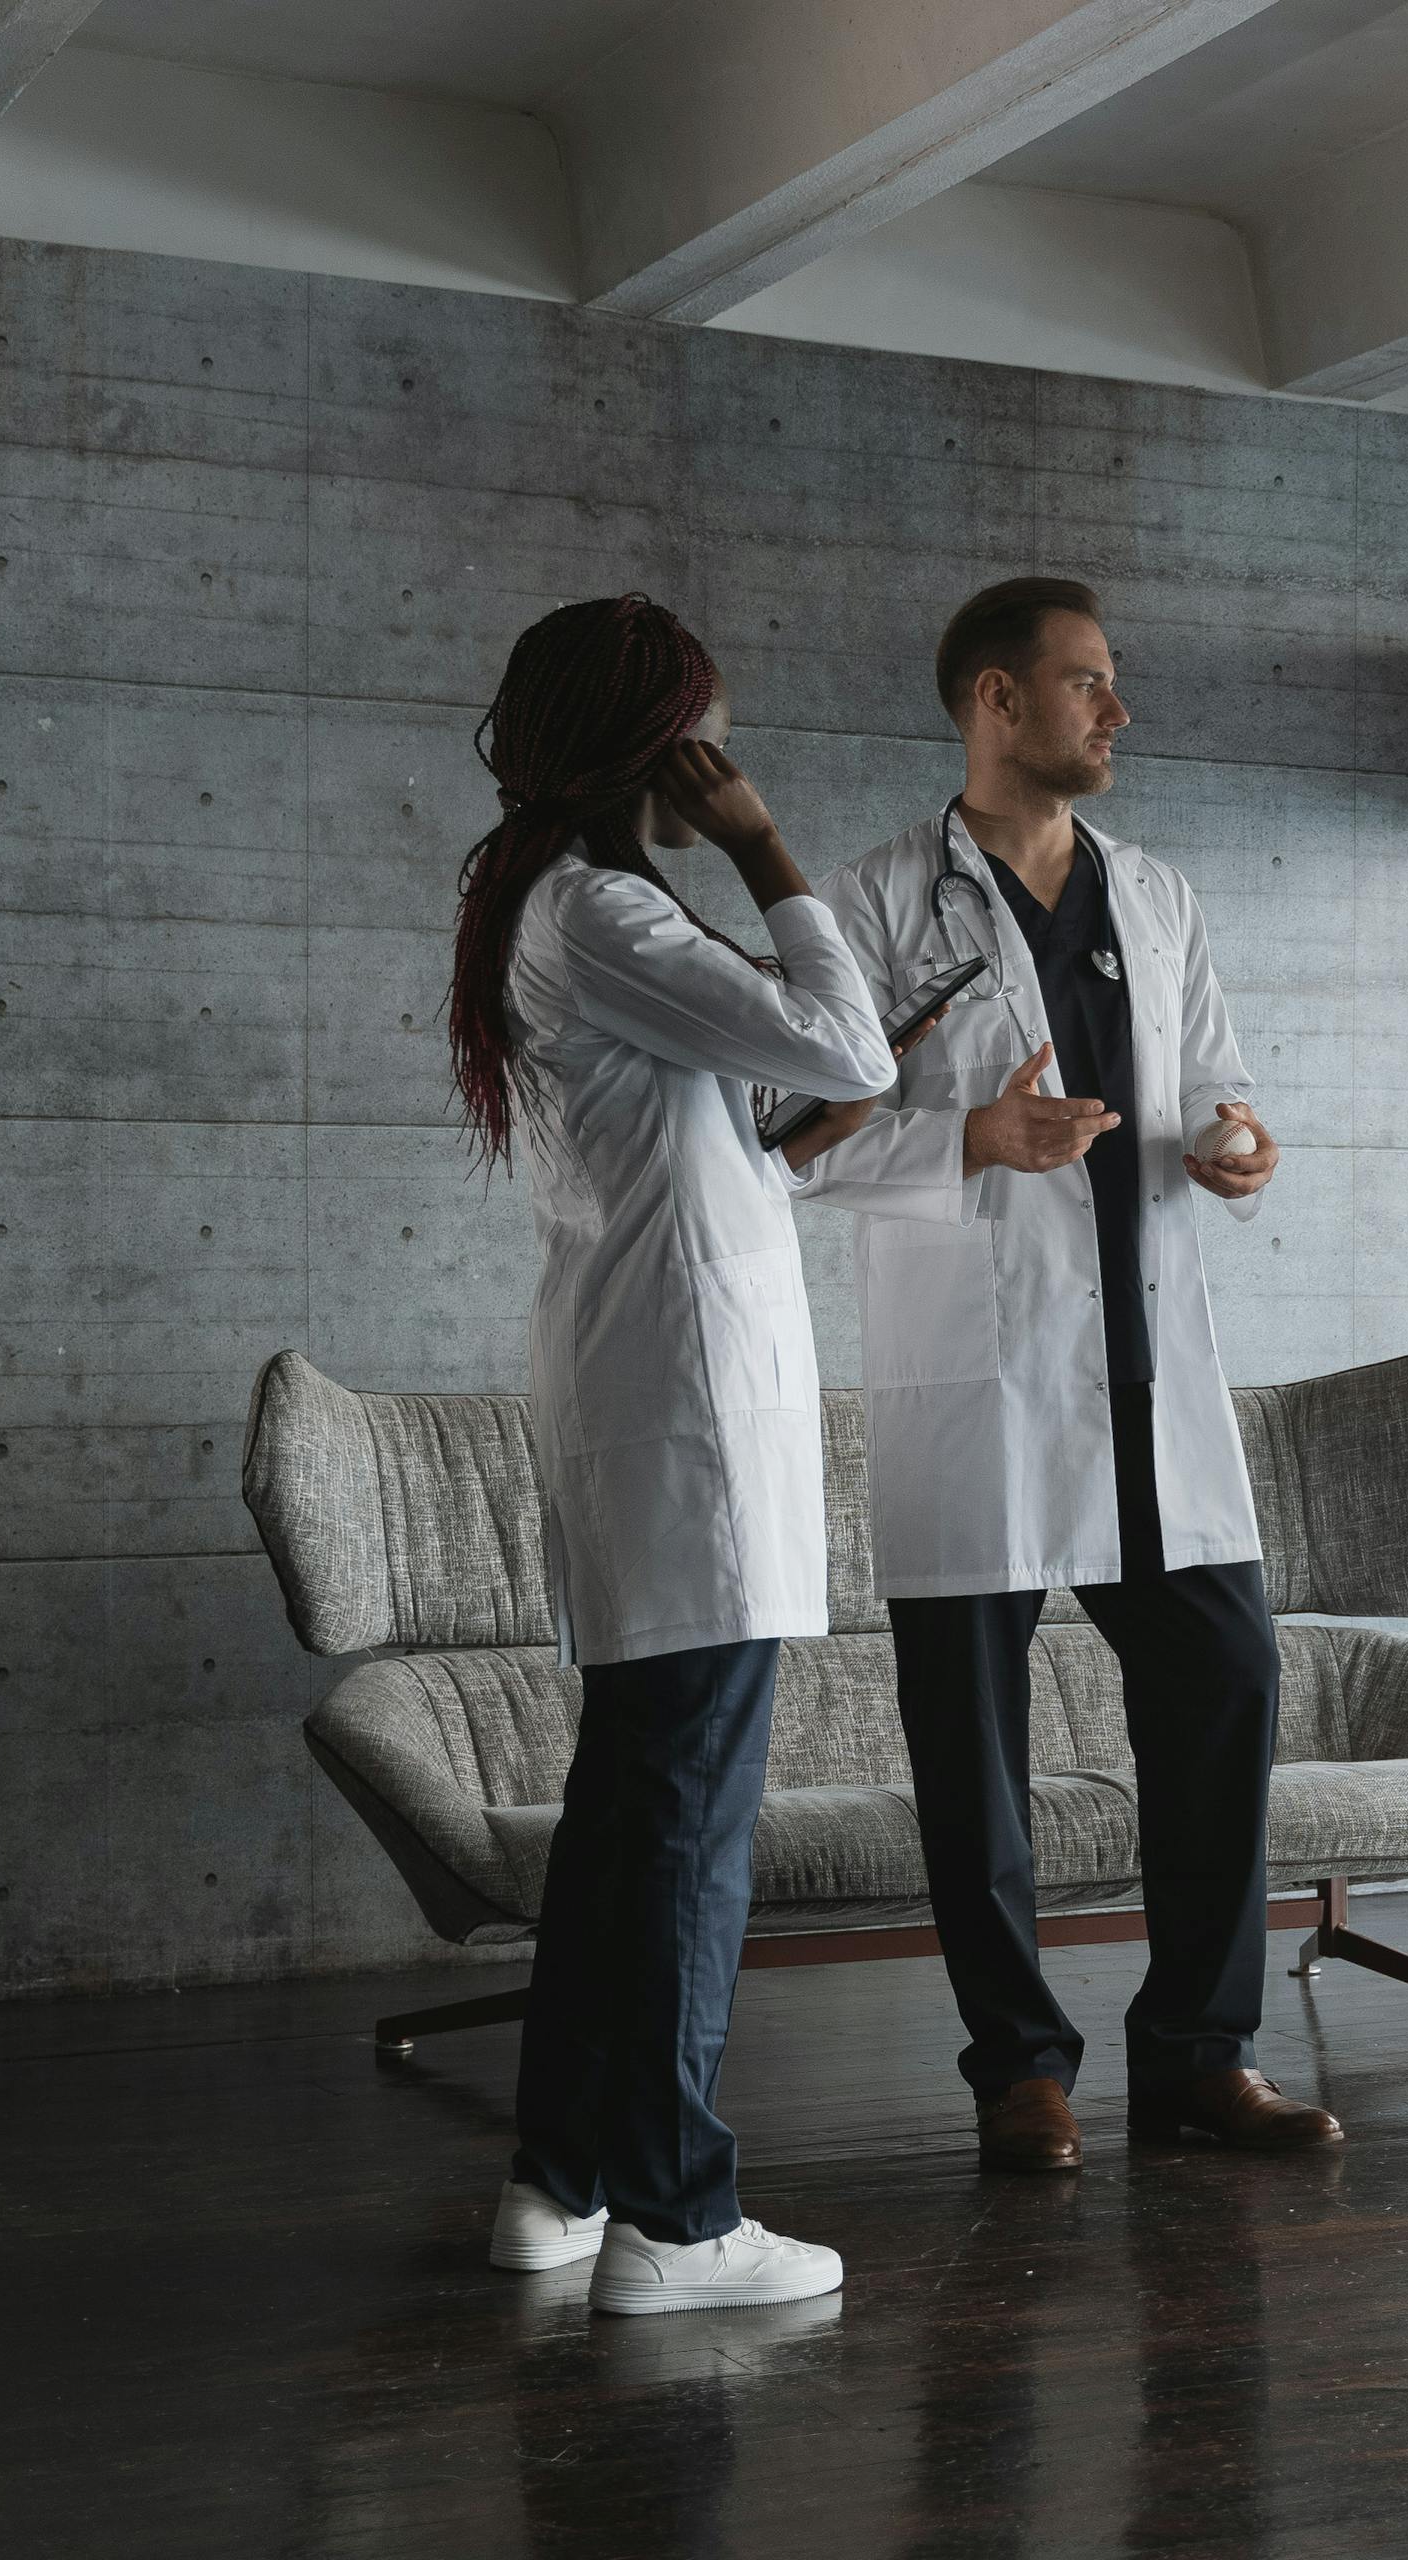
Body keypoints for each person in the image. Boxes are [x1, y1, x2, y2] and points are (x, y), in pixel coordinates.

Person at [779, 575, 1336, 2170]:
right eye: (1088, 682)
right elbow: (794, 1142)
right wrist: (969, 1133)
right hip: (979, 1379)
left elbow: (1219, 1081)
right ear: (994, 702)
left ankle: (1198, 2055)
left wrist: (1240, 1145)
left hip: (1153, 1366)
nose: (1119, 709)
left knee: (1226, 1692)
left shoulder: (1154, 895)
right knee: (973, 1741)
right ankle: (1018, 2065)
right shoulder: (875, 907)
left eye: (1116, 684)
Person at [447, 594, 901, 2313]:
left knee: (629, 1811)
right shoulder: (609, 903)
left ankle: (557, 2182)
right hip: (684, 1407)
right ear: (661, 741)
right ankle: (681, 2223)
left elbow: (722, 1139)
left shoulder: (554, 906)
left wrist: (791, 1131)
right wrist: (767, 842)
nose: (720, 758)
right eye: (702, 731)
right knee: (684, 1827)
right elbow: (848, 1035)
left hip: (649, 1378)